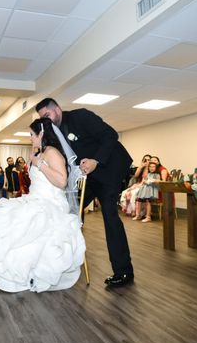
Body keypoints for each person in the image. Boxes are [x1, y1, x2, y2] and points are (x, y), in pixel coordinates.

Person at [0, 117, 86, 292]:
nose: (30, 137)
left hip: (50, 203)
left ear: (42, 133)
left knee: (18, 223)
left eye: (32, 134)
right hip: (34, 198)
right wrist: (36, 158)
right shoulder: (38, 152)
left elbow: (61, 182)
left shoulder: (53, 152)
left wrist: (40, 165)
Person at [36, 97, 134, 288]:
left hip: (110, 168)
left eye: (47, 115)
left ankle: (123, 271)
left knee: (109, 214)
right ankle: (66, 262)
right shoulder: (53, 131)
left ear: (57, 108)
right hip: (88, 175)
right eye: (42, 117)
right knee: (69, 209)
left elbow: (111, 135)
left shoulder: (81, 116)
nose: (46, 120)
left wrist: (96, 161)